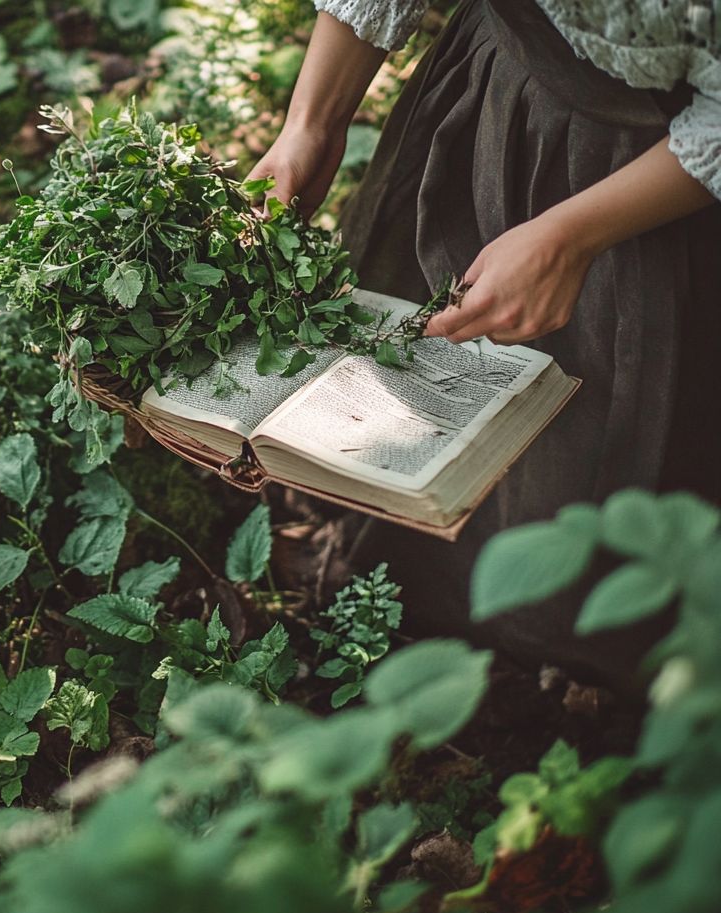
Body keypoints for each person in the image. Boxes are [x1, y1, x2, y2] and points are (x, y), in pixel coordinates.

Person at [248, 0, 721, 689]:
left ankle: (575, 673)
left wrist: (572, 238)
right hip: (493, 104)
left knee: (602, 430)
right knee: (409, 395)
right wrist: (310, 123)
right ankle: (412, 590)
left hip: (655, 184)